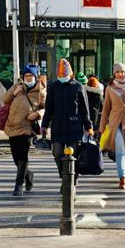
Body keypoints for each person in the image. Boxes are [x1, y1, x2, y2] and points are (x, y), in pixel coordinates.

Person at [41, 58, 93, 192]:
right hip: (58, 128)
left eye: (64, 75)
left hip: (74, 128)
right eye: (60, 76)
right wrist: (44, 126)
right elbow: (49, 109)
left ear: (70, 74)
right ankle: (64, 178)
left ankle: (71, 182)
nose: (62, 78)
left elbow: (84, 110)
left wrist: (89, 127)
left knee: (73, 157)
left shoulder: (78, 87)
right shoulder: (53, 87)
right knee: (58, 154)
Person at [3, 64, 46, 196]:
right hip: (12, 126)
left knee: (22, 157)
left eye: (30, 76)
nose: (28, 78)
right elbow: (5, 100)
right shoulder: (17, 86)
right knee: (16, 158)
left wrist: (38, 114)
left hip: (27, 128)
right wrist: (14, 92)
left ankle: (18, 185)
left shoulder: (40, 91)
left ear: (35, 77)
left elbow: (47, 108)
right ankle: (28, 175)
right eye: (26, 76)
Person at [99, 63, 125, 189]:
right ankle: (122, 178)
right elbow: (106, 109)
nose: (120, 74)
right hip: (115, 123)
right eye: (117, 72)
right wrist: (102, 127)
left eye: (122, 72)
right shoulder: (110, 88)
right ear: (114, 73)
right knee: (120, 151)